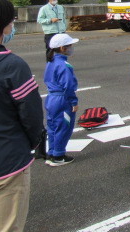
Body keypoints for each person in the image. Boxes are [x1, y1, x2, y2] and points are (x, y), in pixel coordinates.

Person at [0, 0, 44, 232]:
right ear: (1, 25)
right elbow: (32, 116)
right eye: (11, 21)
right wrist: (31, 142)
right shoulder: (12, 66)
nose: (12, 26)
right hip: (5, 160)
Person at [44, 33, 80, 166]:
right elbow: (68, 86)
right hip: (62, 99)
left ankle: (52, 152)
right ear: (63, 48)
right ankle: (59, 155)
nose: (71, 48)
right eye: (70, 45)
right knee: (64, 126)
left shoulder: (51, 61)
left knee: (52, 126)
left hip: (51, 98)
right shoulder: (64, 65)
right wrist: (74, 102)